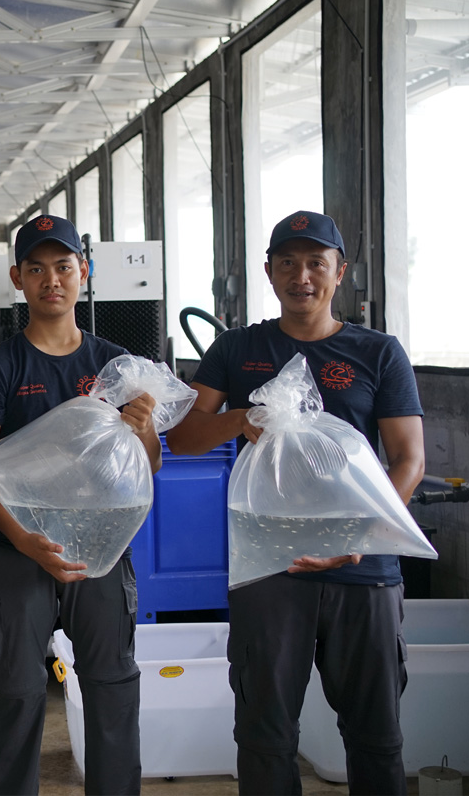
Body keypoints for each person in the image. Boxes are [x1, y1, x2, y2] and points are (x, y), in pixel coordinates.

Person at [166, 210, 425, 796]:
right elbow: (182, 437)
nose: (301, 276)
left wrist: (360, 539)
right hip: (269, 566)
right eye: (287, 262)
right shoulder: (238, 348)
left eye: (315, 263)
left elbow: (408, 459)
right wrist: (240, 418)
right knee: (265, 734)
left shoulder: (379, 352)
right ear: (269, 271)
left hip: (363, 569)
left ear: (340, 271)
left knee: (376, 734)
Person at [0, 214, 159, 796]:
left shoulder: (115, 363)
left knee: (111, 682)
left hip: (98, 547)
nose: (52, 280)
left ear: (84, 273)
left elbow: (147, 465)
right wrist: (23, 539)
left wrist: (144, 427)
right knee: (18, 689)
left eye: (64, 267)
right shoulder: (1, 367)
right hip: (19, 549)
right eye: (37, 269)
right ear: (17, 278)